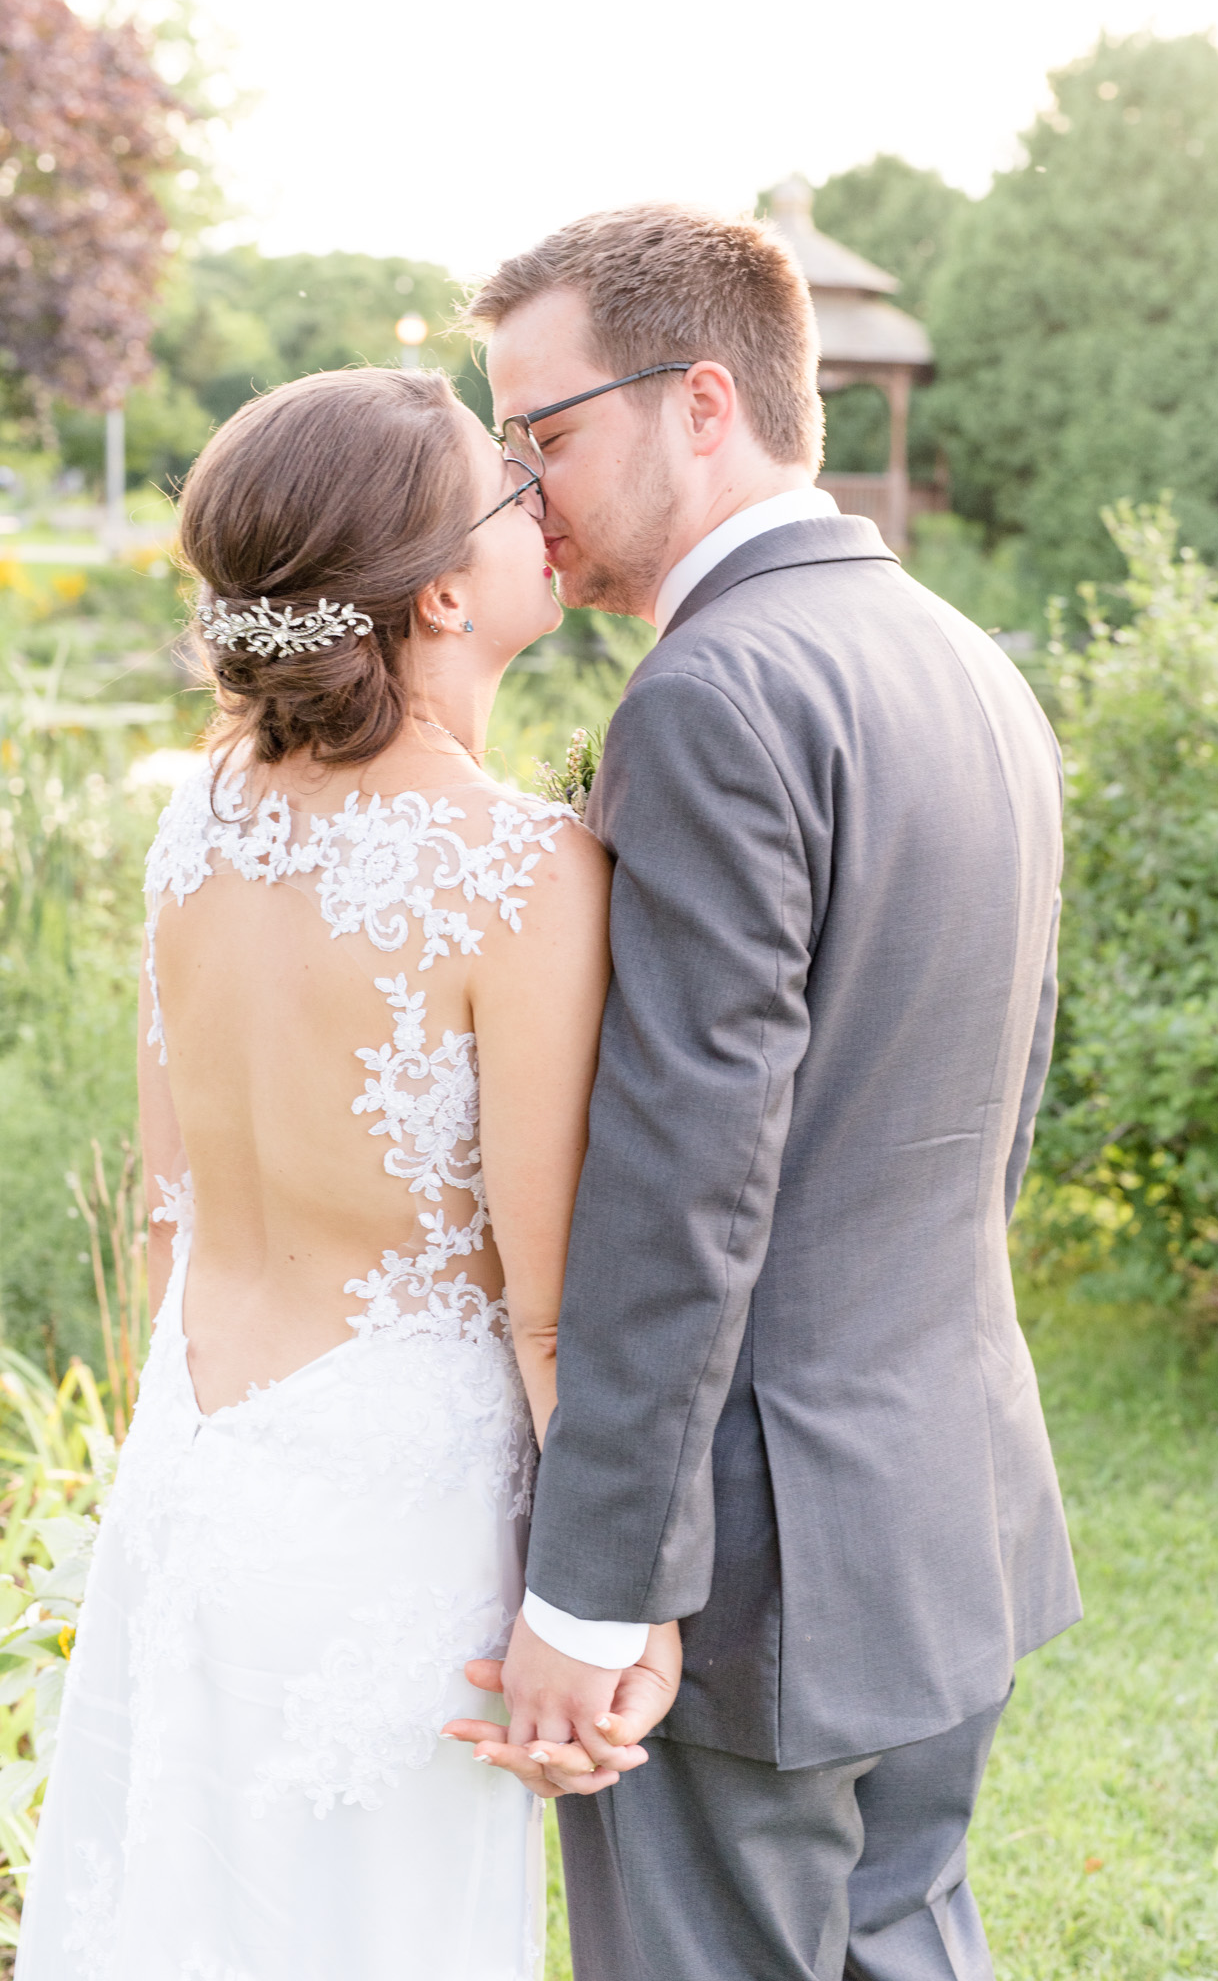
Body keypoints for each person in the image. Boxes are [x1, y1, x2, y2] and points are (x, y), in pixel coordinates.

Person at [446, 205, 1083, 1981]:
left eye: (547, 430)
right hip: (943, 1500)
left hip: (756, 1570)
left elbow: (682, 1180)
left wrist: (593, 1588)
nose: (524, 483)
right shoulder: (970, 663)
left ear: (702, 400)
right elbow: (992, 1112)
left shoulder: (716, 694)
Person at [16, 365, 679, 1981]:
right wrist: (610, 1610)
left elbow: (167, 1215)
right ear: (442, 587)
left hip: (196, 1467)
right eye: (508, 489)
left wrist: (187, 1461)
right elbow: (546, 1318)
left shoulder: (199, 823)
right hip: (393, 1527)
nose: (547, 507)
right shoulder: (523, 871)